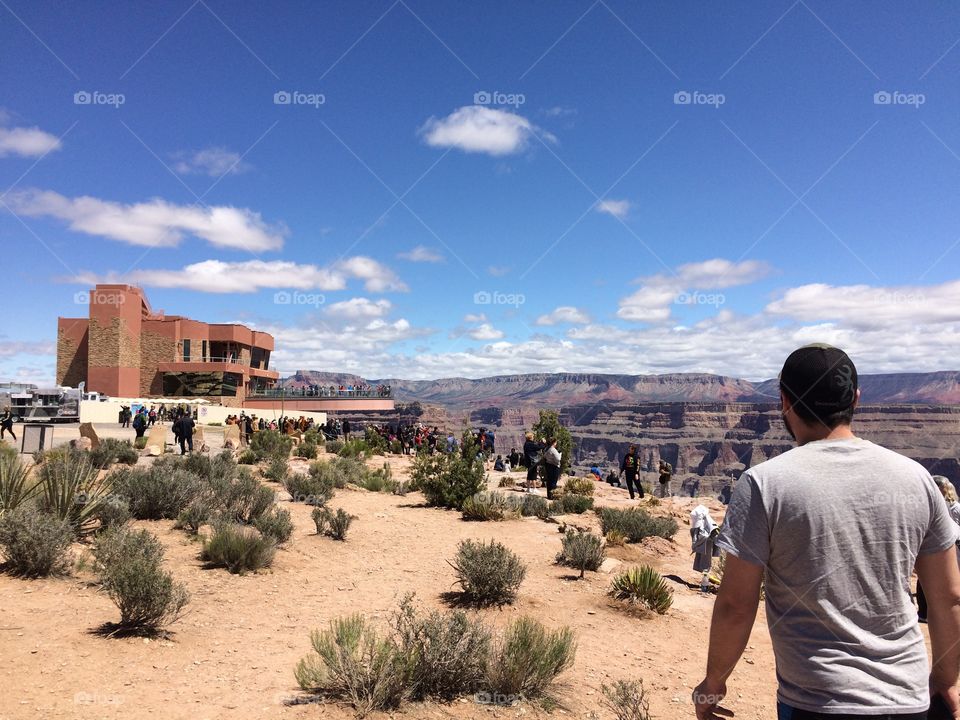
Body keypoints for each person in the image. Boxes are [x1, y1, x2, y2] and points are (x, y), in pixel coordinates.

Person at [694, 344, 960, 720]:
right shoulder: (917, 479)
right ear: (855, 399)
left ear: (784, 401)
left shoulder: (764, 484)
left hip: (816, 702)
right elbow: (949, 597)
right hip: (909, 699)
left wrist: (713, 684)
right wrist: (946, 681)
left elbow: (737, 605)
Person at [917, 476, 960, 622]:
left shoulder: (953, 508)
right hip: (936, 550)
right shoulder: (931, 507)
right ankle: (924, 613)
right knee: (927, 580)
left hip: (950, 548)